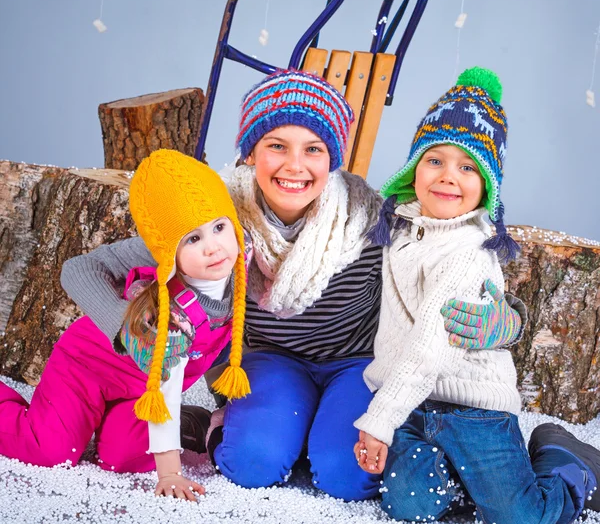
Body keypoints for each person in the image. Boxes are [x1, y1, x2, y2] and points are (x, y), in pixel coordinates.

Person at [60, 69, 525, 502]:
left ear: (333, 159)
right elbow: (80, 270)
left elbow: (452, 262)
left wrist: (508, 322)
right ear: (250, 152)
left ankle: (314, 435)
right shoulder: (219, 218)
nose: (294, 166)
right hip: (269, 359)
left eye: (313, 149)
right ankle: (237, 427)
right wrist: (128, 333)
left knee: (350, 476)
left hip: (358, 364)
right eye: (277, 146)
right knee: (250, 463)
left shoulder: (371, 217)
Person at [353, 67, 600, 522]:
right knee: (410, 504)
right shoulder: (401, 225)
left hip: (473, 409)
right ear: (414, 166)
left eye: (467, 167)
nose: (449, 177)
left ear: (487, 183)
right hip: (413, 404)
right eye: (435, 160)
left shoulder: (467, 251)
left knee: (519, 516)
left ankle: (569, 463)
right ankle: (461, 480)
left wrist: (378, 421)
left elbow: (428, 349)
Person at [0, 149, 252, 501]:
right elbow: (78, 269)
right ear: (167, 251)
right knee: (50, 449)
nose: (214, 248)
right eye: (193, 239)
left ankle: (178, 420)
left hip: (139, 390)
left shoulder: (244, 258)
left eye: (220, 228)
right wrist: (171, 473)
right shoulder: (177, 308)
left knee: (122, 456)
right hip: (89, 367)